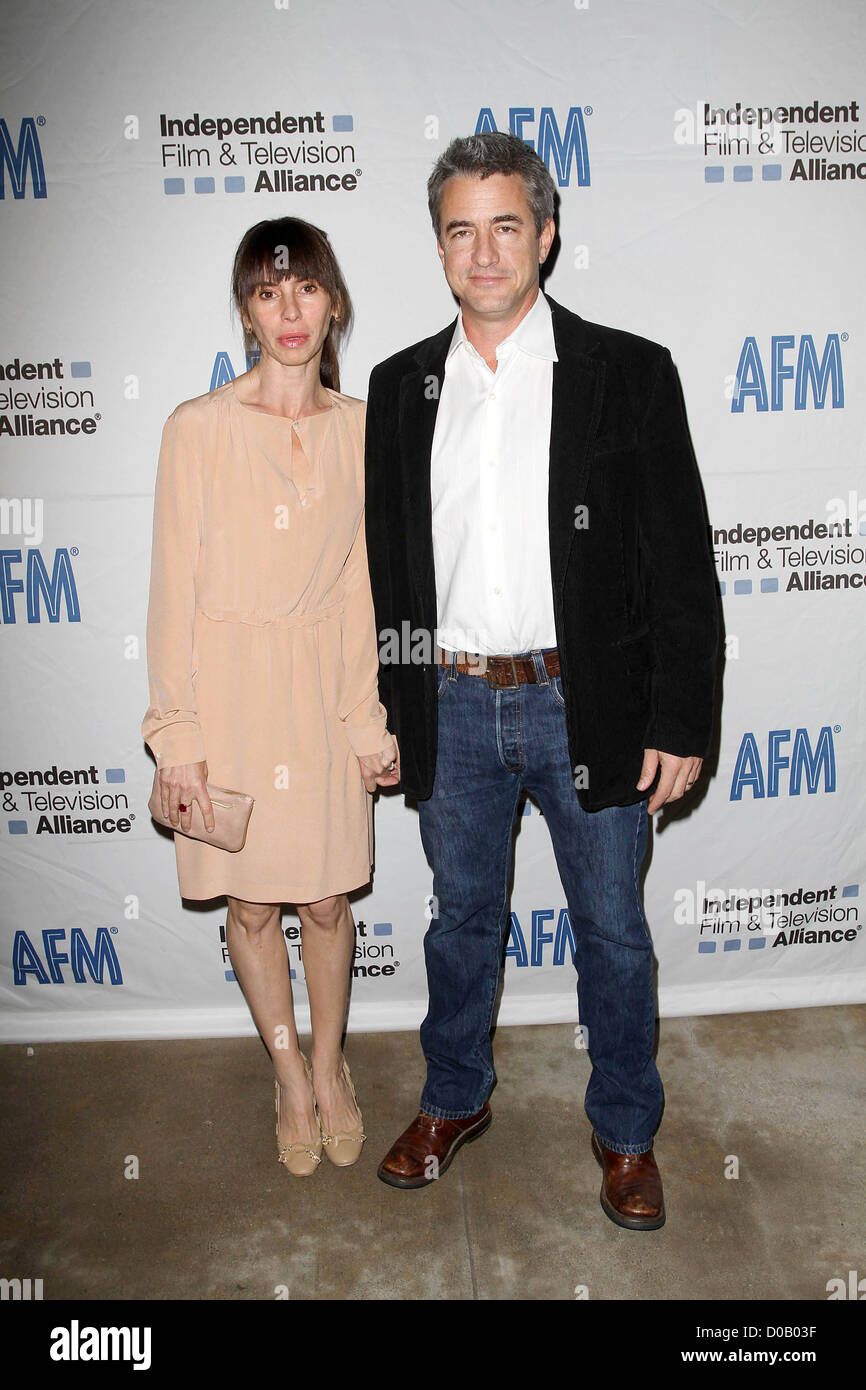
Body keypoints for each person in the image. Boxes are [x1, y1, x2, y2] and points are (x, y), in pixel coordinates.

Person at [363, 132, 720, 1228]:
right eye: (460, 230)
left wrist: (678, 718)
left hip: (589, 704)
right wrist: (394, 705)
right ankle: (452, 1098)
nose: (483, 252)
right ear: (438, 247)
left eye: (505, 226)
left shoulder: (628, 373)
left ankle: (626, 1132)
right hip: (453, 702)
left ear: (546, 235)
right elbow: (391, 572)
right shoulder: (398, 387)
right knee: (459, 921)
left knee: (610, 929)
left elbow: (680, 563)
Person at [142, 216, 399, 1178]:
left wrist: (367, 722)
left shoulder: (365, 430)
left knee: (327, 902)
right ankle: (288, 1076)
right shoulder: (197, 429)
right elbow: (172, 594)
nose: (289, 310)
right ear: (247, 311)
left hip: (323, 693)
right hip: (230, 699)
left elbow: (362, 589)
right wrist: (178, 737)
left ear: (334, 303)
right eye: (267, 291)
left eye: (306, 288)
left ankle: (331, 1068)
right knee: (250, 909)